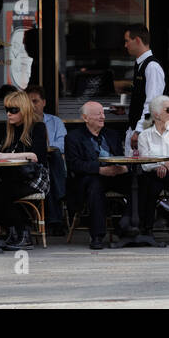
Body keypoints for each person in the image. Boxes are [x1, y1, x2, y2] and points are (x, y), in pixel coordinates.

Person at [0, 89, 50, 251]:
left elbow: (37, 156)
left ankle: (23, 232)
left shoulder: (38, 127)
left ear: (24, 109)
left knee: (0, 193)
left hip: (34, 178)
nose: (9, 114)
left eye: (13, 110)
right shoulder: (10, 130)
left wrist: (3, 155)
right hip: (12, 177)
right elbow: (5, 154)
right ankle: (14, 231)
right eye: (7, 110)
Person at [65, 101, 130, 250]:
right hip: (89, 178)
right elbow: (74, 164)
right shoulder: (73, 137)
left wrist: (123, 168)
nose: (102, 117)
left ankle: (126, 225)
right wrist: (99, 170)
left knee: (138, 182)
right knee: (95, 185)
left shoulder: (111, 134)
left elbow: (120, 157)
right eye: (98, 114)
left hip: (114, 175)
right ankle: (97, 235)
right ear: (85, 118)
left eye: (103, 113)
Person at [136, 95, 169, 245]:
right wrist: (161, 164)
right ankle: (147, 229)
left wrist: (168, 164)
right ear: (156, 114)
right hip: (154, 173)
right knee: (148, 187)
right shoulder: (144, 136)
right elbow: (145, 162)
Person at [26, 84, 67, 235]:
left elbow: (63, 145)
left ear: (44, 102)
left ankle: (54, 220)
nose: (32, 105)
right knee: (49, 165)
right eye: (28, 101)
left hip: (52, 164)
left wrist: (45, 146)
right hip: (32, 166)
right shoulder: (22, 123)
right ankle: (56, 218)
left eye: (35, 101)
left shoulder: (55, 122)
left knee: (53, 159)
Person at [124, 23, 165, 149]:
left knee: (144, 168)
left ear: (137, 40)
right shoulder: (140, 65)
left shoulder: (152, 67)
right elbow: (141, 99)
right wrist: (126, 110)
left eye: (127, 41)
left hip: (146, 134)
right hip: (137, 129)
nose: (125, 45)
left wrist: (139, 130)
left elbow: (153, 103)